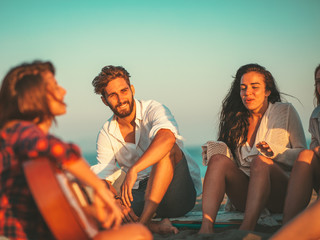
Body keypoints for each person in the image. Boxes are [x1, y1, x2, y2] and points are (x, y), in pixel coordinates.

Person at [0, 61, 152, 240]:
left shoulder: (26, 152)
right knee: (139, 235)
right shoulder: (18, 132)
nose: (64, 91)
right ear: (34, 95)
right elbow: (57, 149)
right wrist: (99, 190)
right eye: (54, 86)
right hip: (11, 235)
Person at [90, 65, 201, 234]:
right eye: (113, 95)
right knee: (100, 210)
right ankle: (155, 227)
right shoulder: (106, 132)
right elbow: (102, 178)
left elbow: (167, 138)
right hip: (140, 193)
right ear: (105, 100)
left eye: (124, 91)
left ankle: (143, 224)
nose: (121, 99)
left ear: (132, 89)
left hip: (176, 193)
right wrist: (115, 201)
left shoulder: (153, 109)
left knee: (167, 148)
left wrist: (135, 169)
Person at [199, 63, 306, 233]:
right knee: (218, 160)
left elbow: (303, 155)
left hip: (279, 192)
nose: (247, 92)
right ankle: (206, 228)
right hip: (246, 194)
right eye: (243, 88)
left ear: (267, 91)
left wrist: (276, 152)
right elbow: (233, 164)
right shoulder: (235, 119)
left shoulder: (285, 111)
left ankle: (246, 229)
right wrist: (219, 149)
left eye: (254, 87)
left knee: (260, 161)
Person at [282, 64, 320, 224]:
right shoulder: (316, 116)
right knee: (305, 156)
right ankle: (288, 225)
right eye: (318, 81)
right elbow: (313, 151)